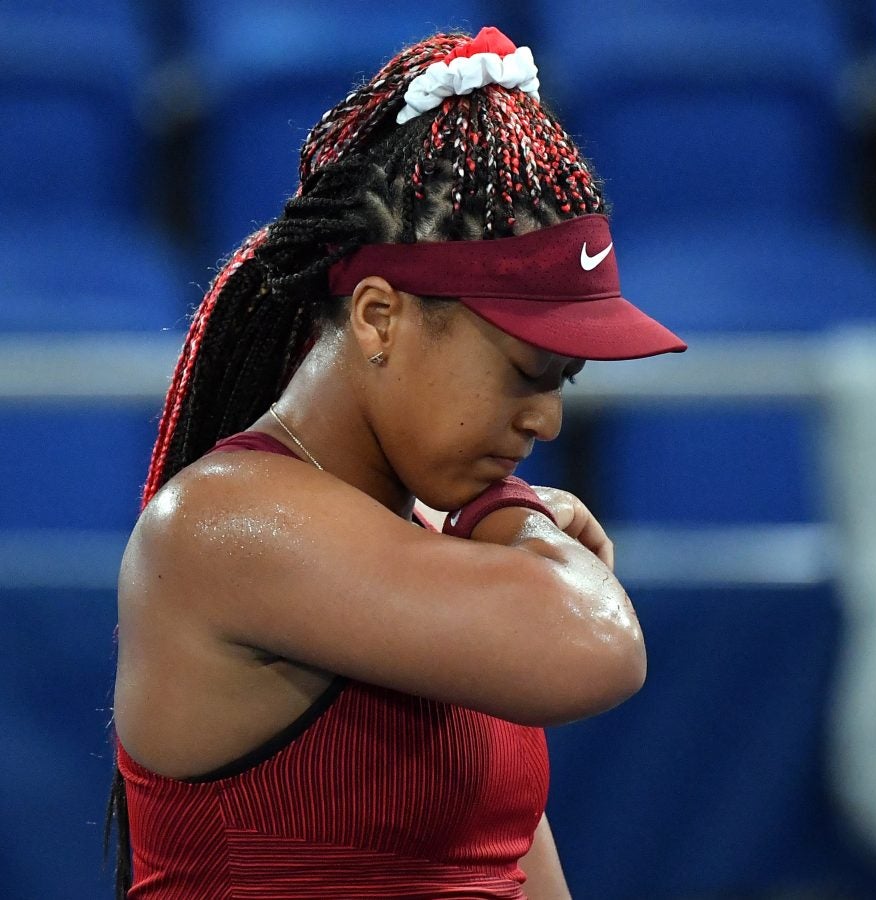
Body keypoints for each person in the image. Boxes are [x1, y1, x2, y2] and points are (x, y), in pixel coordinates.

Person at [105, 25, 686, 899]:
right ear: (379, 317)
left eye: (564, 380)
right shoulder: (222, 525)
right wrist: (513, 513)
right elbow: (597, 646)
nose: (548, 419)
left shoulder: (435, 567)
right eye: (526, 371)